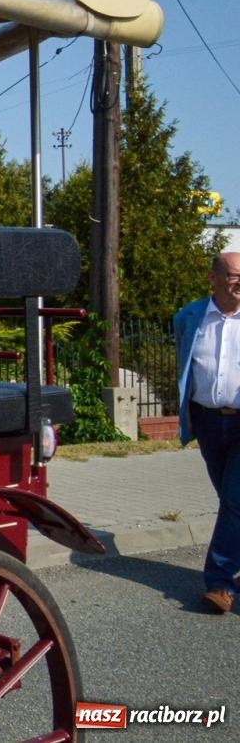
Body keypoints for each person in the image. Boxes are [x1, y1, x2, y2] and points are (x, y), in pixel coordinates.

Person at [175, 252, 240, 614]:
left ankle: (219, 582)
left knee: (235, 501)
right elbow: (186, 367)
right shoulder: (189, 317)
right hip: (209, 422)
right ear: (213, 278)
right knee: (229, 499)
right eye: (233, 275)